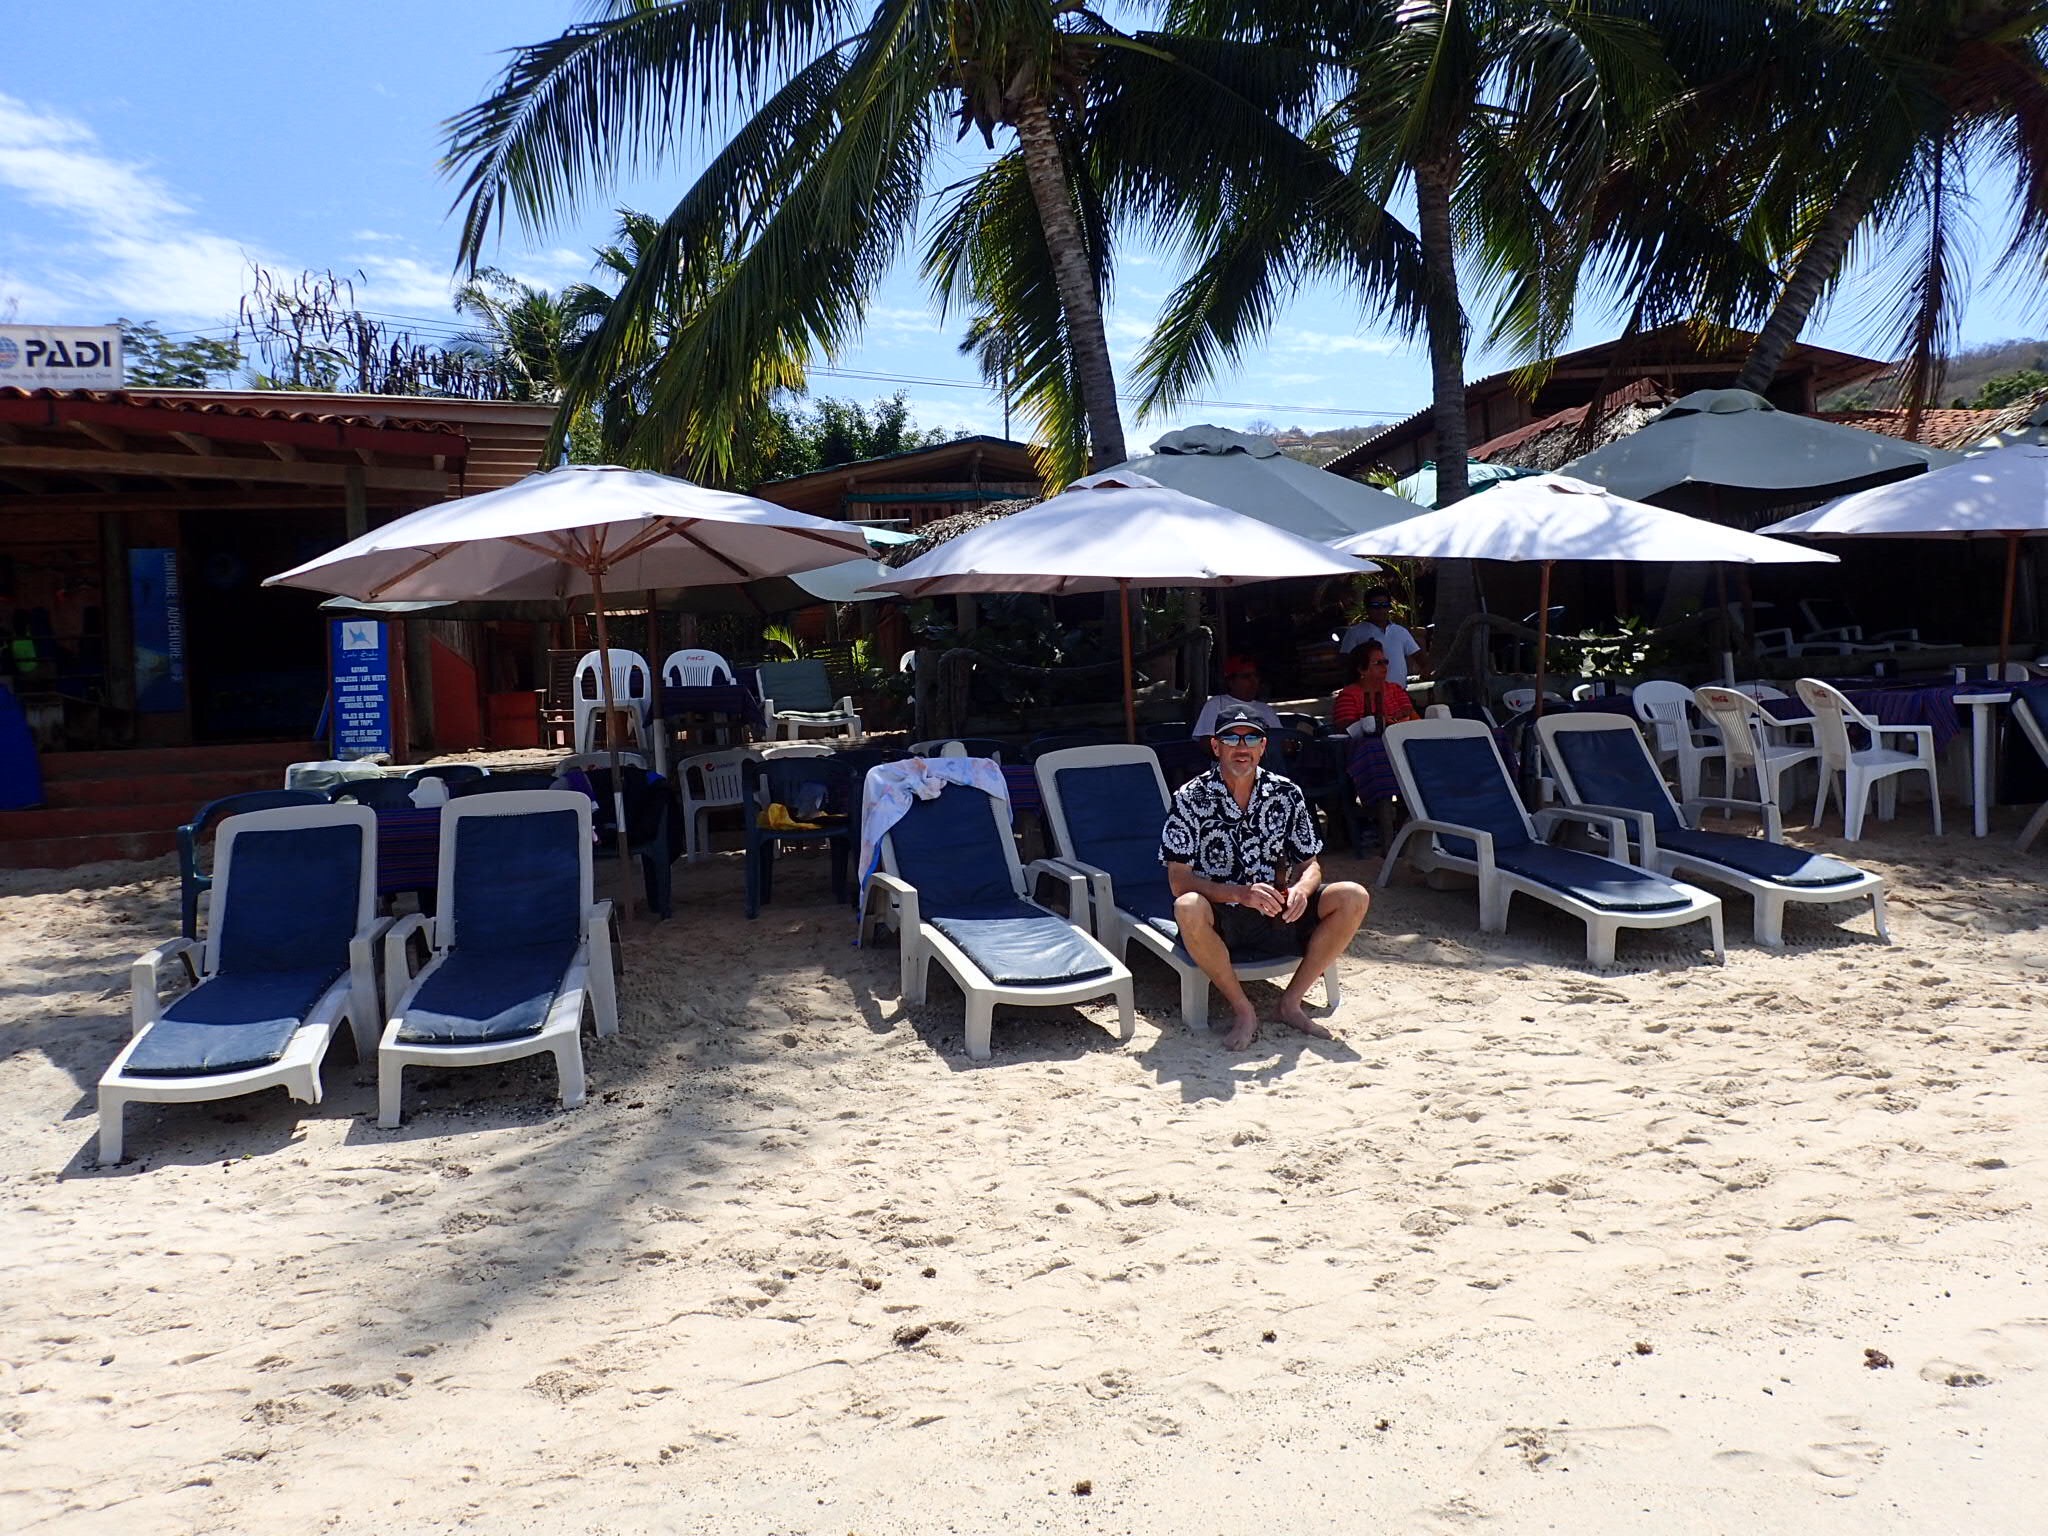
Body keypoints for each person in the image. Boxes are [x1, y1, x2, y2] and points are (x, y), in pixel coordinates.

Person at [1160, 704, 1371, 1051]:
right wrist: (1240, 894)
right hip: (1223, 913)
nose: (1241, 747)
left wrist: (1303, 889)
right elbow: (1178, 880)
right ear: (1216, 746)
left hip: (1279, 906)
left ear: (1262, 747)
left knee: (1353, 895)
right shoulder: (1190, 798)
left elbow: (1310, 863)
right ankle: (1243, 1010)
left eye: (1251, 738)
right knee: (1187, 906)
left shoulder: (1286, 793)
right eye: (1231, 737)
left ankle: (1290, 1003)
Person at [1337, 589, 1427, 686]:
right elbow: (1345, 663)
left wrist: (1425, 671)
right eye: (1375, 606)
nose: (1381, 610)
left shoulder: (1400, 631)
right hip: (1369, 694)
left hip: (1399, 694)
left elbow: (1420, 657)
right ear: (1367, 607)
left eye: (1385, 606)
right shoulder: (1354, 632)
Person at [1332, 641, 1419, 733]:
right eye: (1378, 663)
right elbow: (1346, 730)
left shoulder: (1395, 689)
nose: (1384, 666)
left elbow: (1412, 717)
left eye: (1385, 662)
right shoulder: (1348, 696)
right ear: (1361, 669)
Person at [1190, 655, 1284, 738]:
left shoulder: (1266, 709)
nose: (1253, 681)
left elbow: (1281, 741)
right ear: (1231, 682)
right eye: (1246, 676)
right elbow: (1206, 741)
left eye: (1256, 676)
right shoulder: (1216, 704)